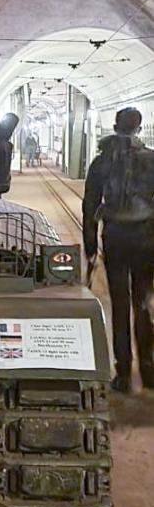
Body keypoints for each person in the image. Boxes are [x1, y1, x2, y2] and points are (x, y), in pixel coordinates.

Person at [82, 107, 154, 392]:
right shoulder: (152, 160)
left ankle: (123, 373)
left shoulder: (101, 161)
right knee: (144, 303)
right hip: (147, 240)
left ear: (114, 126)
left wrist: (90, 245)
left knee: (120, 305)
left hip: (115, 238)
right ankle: (149, 370)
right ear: (139, 128)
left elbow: (89, 205)